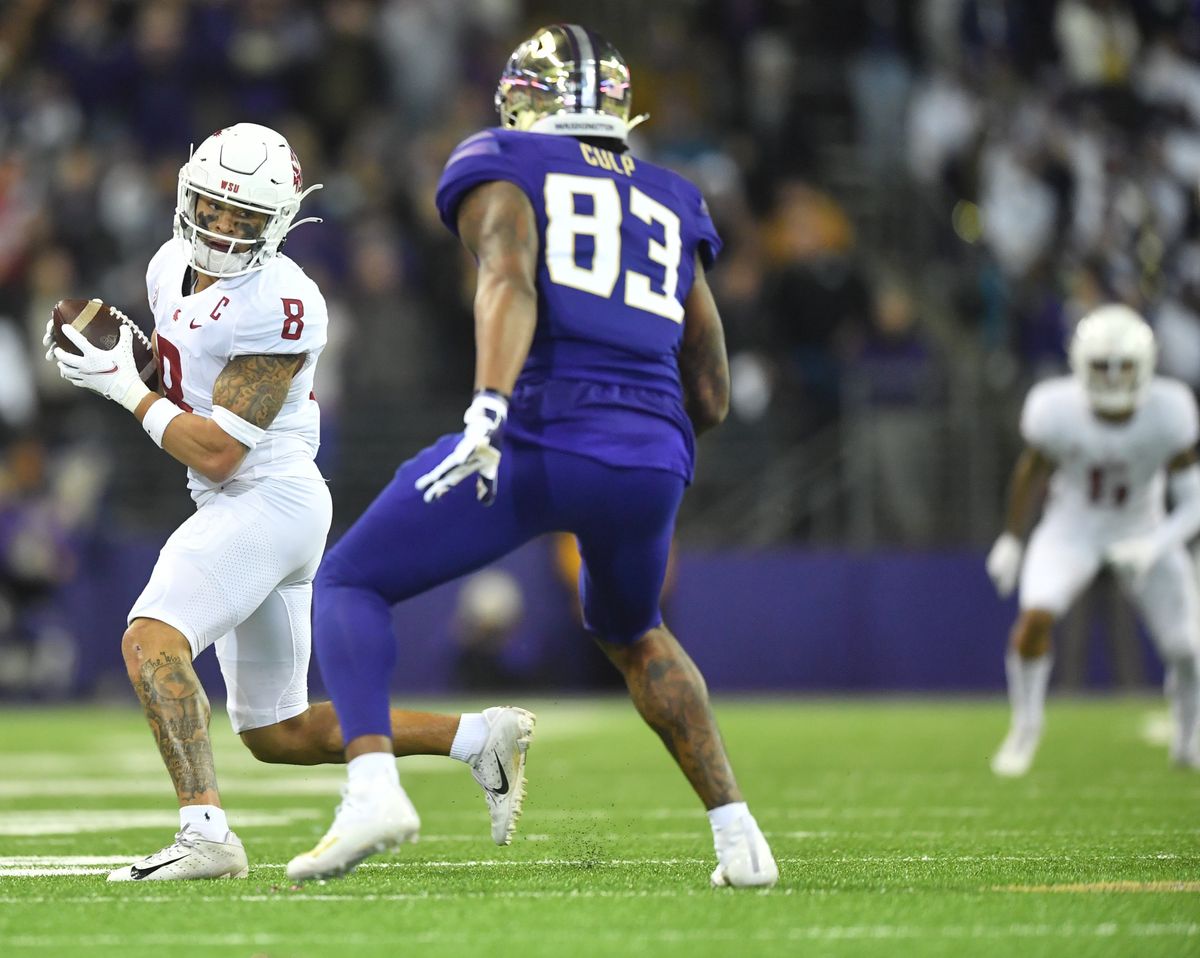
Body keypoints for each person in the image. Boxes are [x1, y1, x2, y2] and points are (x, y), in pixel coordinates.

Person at [287, 24, 779, 889]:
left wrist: (488, 410)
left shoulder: (501, 160)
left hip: (536, 432)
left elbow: (507, 272)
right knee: (634, 632)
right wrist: (638, 452)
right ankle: (739, 836)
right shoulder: (673, 194)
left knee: (351, 582)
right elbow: (712, 390)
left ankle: (372, 789)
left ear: (523, 100)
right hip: (652, 450)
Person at [46, 122, 531, 881]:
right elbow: (187, 390)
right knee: (280, 732)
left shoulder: (283, 299)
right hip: (240, 504)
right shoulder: (168, 266)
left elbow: (219, 448)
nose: (223, 228)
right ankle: (477, 737)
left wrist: (123, 387)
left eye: (245, 218)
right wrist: (133, 365)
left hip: (267, 496)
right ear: (186, 197)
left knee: (150, 641)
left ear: (279, 222)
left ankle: (206, 836)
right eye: (212, 207)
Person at [985, 304, 1200, 776]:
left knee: (1187, 648)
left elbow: (1195, 502)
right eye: (1103, 365)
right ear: (1080, 364)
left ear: (1146, 365)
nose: (1114, 376)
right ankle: (1026, 728)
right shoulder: (1054, 407)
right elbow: (1031, 472)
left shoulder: (1169, 409)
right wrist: (1013, 540)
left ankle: (1188, 736)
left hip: (1143, 526)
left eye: (1124, 366)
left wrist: (1155, 544)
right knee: (1035, 616)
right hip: (1072, 525)